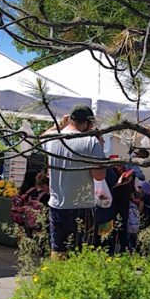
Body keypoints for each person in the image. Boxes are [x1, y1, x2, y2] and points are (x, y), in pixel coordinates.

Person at [43, 106, 107, 258]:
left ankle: (56, 280)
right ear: (87, 124)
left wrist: (57, 126)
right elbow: (99, 176)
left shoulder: (53, 139)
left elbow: (41, 138)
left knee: (58, 252)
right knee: (81, 254)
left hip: (57, 204)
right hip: (82, 206)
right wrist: (101, 149)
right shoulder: (90, 141)